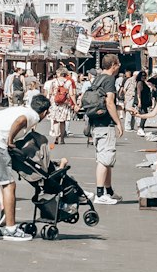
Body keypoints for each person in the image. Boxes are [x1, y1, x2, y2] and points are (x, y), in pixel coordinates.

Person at [0, 93, 49, 241]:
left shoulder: (16, 108)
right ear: (45, 112)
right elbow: (20, 121)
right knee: (9, 185)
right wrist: (10, 140)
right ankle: (11, 228)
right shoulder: (32, 115)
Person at [80, 53, 124, 205]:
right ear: (114, 65)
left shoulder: (97, 79)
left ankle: (109, 191)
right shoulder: (110, 80)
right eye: (118, 64)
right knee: (104, 160)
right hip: (106, 124)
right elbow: (109, 102)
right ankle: (100, 194)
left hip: (95, 124)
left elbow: (102, 101)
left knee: (106, 159)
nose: (119, 67)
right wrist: (118, 122)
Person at [44, 64, 76, 148]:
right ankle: (62, 139)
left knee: (55, 120)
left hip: (55, 103)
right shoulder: (68, 82)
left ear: (59, 73)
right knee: (62, 121)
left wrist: (49, 102)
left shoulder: (54, 82)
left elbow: (50, 93)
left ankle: (56, 136)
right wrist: (75, 103)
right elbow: (71, 94)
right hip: (64, 103)